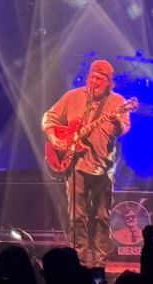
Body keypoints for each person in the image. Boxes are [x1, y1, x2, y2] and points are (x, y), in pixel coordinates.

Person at [42, 59, 132, 268]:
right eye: (93, 77)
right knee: (77, 216)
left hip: (104, 167)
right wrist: (54, 137)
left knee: (102, 217)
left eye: (100, 79)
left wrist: (118, 120)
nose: (95, 81)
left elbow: (125, 128)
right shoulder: (72, 96)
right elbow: (49, 117)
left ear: (109, 82)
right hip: (76, 164)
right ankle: (78, 260)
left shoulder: (118, 101)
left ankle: (100, 263)